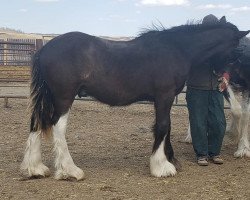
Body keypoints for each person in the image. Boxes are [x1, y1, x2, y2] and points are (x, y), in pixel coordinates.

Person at [186, 14, 229, 166]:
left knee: (218, 122)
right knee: (198, 123)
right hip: (197, 88)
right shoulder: (193, 44)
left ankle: (214, 152)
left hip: (216, 88)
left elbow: (226, 63)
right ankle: (202, 154)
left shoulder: (219, 44)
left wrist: (225, 75)